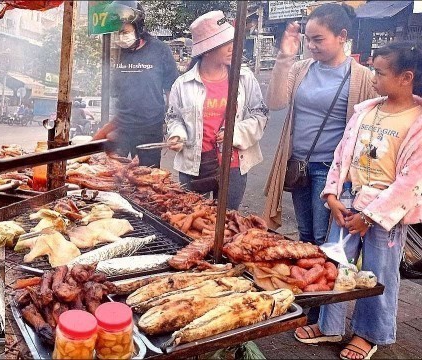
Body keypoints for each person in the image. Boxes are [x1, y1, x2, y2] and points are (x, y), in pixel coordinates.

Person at [294, 40, 422, 360]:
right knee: (336, 264)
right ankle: (330, 325)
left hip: (387, 215)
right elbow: (342, 155)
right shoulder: (366, 111)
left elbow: (411, 180)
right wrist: (333, 195)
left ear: (406, 77)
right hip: (349, 201)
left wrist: (371, 216)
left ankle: (370, 333)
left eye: (379, 73)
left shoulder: (417, 122)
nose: (373, 78)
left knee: (378, 275)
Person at [263, 3, 376, 245]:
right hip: (298, 164)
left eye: (318, 39)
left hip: (330, 169)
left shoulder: (362, 77)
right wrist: (284, 57)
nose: (312, 46)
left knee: (323, 237)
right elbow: (275, 102)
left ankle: (322, 281)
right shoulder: (301, 68)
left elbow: (370, 131)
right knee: (304, 234)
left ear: (342, 36)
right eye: (308, 40)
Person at [166, 11, 268, 210]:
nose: (232, 47)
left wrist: (235, 133)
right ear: (206, 50)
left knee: (228, 222)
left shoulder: (244, 78)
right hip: (194, 166)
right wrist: (177, 135)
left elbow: (260, 115)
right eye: (225, 43)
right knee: (193, 220)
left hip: (233, 168)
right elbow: (173, 117)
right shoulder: (183, 84)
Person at [97, 0, 178, 167]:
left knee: (146, 177)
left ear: (138, 27)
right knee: (114, 174)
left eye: (124, 31)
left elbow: (172, 90)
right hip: (122, 128)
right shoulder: (121, 53)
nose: (121, 37)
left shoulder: (160, 50)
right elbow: (117, 93)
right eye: (117, 32)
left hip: (150, 129)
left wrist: (171, 126)